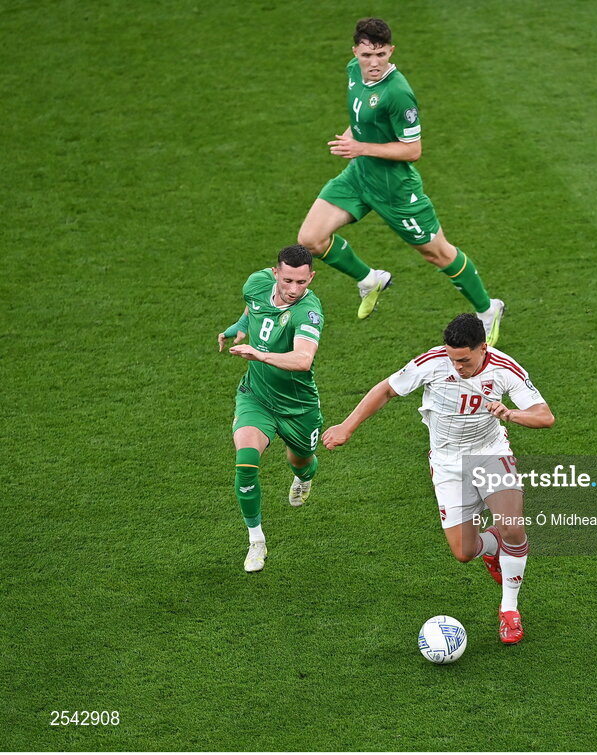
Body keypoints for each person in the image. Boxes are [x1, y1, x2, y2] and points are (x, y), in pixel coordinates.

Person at [322, 313, 554, 643]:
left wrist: (510, 414)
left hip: (490, 452)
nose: (457, 366)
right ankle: (490, 547)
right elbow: (386, 389)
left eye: (464, 360)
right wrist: (347, 426)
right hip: (447, 463)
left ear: (482, 348)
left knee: (512, 526)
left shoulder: (504, 368)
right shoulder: (433, 362)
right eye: (452, 358)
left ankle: (509, 610)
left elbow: (545, 416)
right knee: (463, 551)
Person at [297, 17, 505, 344]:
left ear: (390, 51)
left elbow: (413, 150)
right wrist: (353, 138)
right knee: (311, 239)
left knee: (437, 253)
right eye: (367, 55)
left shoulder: (398, 93)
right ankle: (370, 280)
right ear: (356, 53)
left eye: (381, 54)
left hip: (395, 190)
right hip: (358, 177)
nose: (374, 63)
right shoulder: (354, 71)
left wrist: (360, 146)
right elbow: (359, 115)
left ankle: (487, 308)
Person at [218, 245, 326, 573]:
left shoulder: (308, 311)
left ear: (312, 278)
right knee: (246, 461)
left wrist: (260, 355)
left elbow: (303, 359)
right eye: (289, 280)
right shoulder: (256, 284)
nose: (295, 290)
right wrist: (238, 328)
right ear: (275, 273)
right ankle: (256, 540)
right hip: (257, 397)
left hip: (298, 407)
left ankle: (304, 476)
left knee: (302, 461)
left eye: (302, 283)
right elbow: (252, 309)